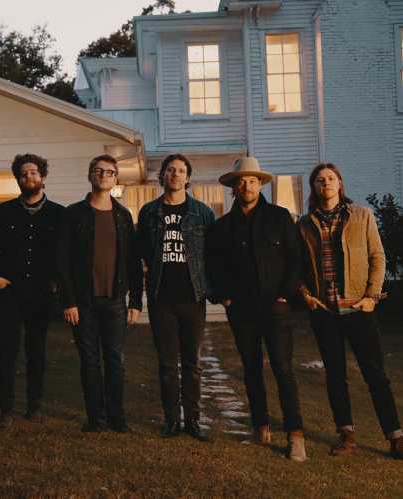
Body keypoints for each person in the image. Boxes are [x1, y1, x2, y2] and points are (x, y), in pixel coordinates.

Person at [298, 162, 403, 459]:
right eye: (320, 180)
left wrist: (371, 296)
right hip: (326, 313)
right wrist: (305, 293)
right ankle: (347, 436)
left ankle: (395, 437)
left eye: (331, 179)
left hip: (359, 309)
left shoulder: (361, 215)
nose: (325, 184)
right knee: (335, 376)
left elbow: (377, 257)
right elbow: (298, 267)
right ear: (314, 188)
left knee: (376, 375)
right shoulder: (305, 224)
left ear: (340, 184)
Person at [207, 156, 307, 461]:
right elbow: (213, 265)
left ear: (260, 184)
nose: (246, 185)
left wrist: (286, 296)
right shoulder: (223, 226)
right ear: (233, 188)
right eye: (241, 181)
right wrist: (223, 296)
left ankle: (295, 435)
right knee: (251, 369)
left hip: (275, 307)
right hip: (242, 311)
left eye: (252, 180)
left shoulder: (279, 217)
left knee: (282, 368)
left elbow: (296, 258)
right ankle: (260, 427)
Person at [57, 154, 143, 433]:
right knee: (90, 361)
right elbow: (63, 261)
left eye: (110, 171)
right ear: (90, 175)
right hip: (84, 302)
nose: (104, 175)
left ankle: (117, 418)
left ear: (116, 177)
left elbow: (133, 261)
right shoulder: (73, 214)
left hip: (116, 300)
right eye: (99, 170)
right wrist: (68, 301)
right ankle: (97, 419)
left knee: (115, 361)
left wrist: (135, 302)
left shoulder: (123, 215)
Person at [0, 153, 64, 428]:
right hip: (9, 294)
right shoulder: (4, 212)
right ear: (18, 179)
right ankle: (6, 410)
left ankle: (34, 407)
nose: (29, 177)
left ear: (43, 176)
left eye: (34, 172)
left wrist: (57, 284)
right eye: (24, 174)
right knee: (7, 351)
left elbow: (65, 257)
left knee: (36, 351)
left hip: (41, 295)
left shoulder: (58, 215)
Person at [137, 153, 215, 441]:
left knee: (192, 362)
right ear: (163, 176)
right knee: (168, 363)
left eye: (181, 170)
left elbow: (212, 254)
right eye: (170, 170)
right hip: (161, 298)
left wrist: (213, 288)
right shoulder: (148, 212)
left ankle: (193, 420)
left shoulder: (203, 213)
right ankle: (171, 420)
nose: (175, 174)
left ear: (188, 177)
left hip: (192, 297)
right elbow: (143, 252)